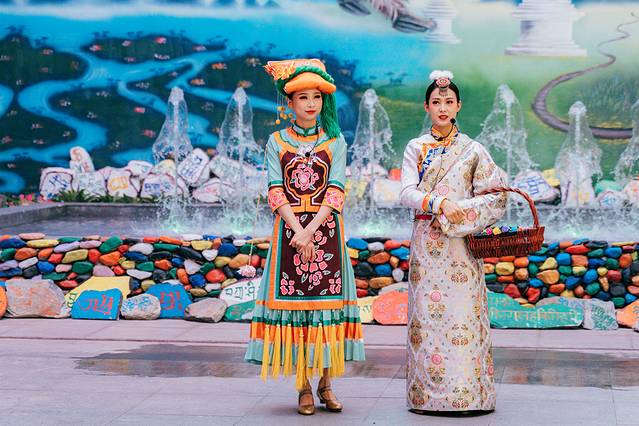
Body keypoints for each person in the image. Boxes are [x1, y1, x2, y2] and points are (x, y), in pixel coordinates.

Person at [245, 58, 365, 416]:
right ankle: (303, 387)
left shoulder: (335, 141)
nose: (311, 103)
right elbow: (275, 190)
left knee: (327, 311)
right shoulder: (277, 141)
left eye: (316, 97)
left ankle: (327, 384)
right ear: (290, 103)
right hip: (289, 235)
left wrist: (311, 230)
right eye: (303, 97)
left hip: (326, 233)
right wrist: (297, 230)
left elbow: (336, 191)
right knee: (297, 313)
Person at [400, 70, 507, 414]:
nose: (443, 108)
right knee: (427, 319)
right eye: (436, 102)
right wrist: (439, 204)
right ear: (426, 107)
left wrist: (459, 213)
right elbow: (406, 193)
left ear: (459, 105)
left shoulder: (474, 150)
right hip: (426, 244)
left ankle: (470, 396)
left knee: (463, 316)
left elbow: (496, 197)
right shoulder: (416, 147)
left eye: (449, 102)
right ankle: (426, 398)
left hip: (461, 246)